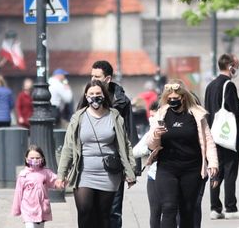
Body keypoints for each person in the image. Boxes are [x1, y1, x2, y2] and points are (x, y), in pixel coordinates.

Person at [56, 80, 136, 228]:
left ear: (104, 95)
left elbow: (125, 145)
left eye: (98, 94)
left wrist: (130, 171)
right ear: (86, 96)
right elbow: (68, 147)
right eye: (91, 94)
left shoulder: (115, 116)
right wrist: (61, 174)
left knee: (103, 214)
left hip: (108, 173)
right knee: (85, 211)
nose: (95, 97)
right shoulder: (78, 117)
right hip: (83, 172)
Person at [148, 80, 219, 228]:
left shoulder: (197, 114)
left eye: (176, 98)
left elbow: (208, 140)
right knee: (168, 206)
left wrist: (213, 163)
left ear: (184, 97)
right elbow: (151, 145)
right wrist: (156, 135)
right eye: (170, 99)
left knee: (187, 209)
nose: (173, 101)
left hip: (192, 169)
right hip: (167, 168)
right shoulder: (161, 114)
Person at [203, 54, 239, 219]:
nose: (237, 69)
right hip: (227, 137)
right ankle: (231, 208)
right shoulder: (228, 85)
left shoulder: (210, 86)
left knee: (215, 170)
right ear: (231, 66)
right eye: (237, 66)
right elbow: (234, 107)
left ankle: (215, 208)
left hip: (213, 134)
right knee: (230, 171)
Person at [90, 60, 134, 228]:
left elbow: (129, 134)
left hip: (113, 164)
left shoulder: (122, 101)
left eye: (97, 76)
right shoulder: (87, 98)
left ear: (107, 79)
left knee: (113, 211)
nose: (93, 79)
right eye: (91, 75)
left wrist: (131, 167)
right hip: (90, 164)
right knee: (91, 210)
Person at [12, 145, 64, 227]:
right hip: (28, 210)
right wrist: (16, 209)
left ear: (42, 159)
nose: (35, 160)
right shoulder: (23, 175)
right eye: (32, 158)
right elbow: (18, 193)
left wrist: (61, 183)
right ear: (26, 159)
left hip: (42, 209)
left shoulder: (46, 172)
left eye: (37, 157)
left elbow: (55, 182)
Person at [133, 102, 161, 228]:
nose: (151, 120)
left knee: (172, 211)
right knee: (155, 212)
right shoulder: (150, 133)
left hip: (172, 175)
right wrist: (149, 149)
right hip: (153, 176)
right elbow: (135, 151)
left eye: (154, 116)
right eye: (150, 117)